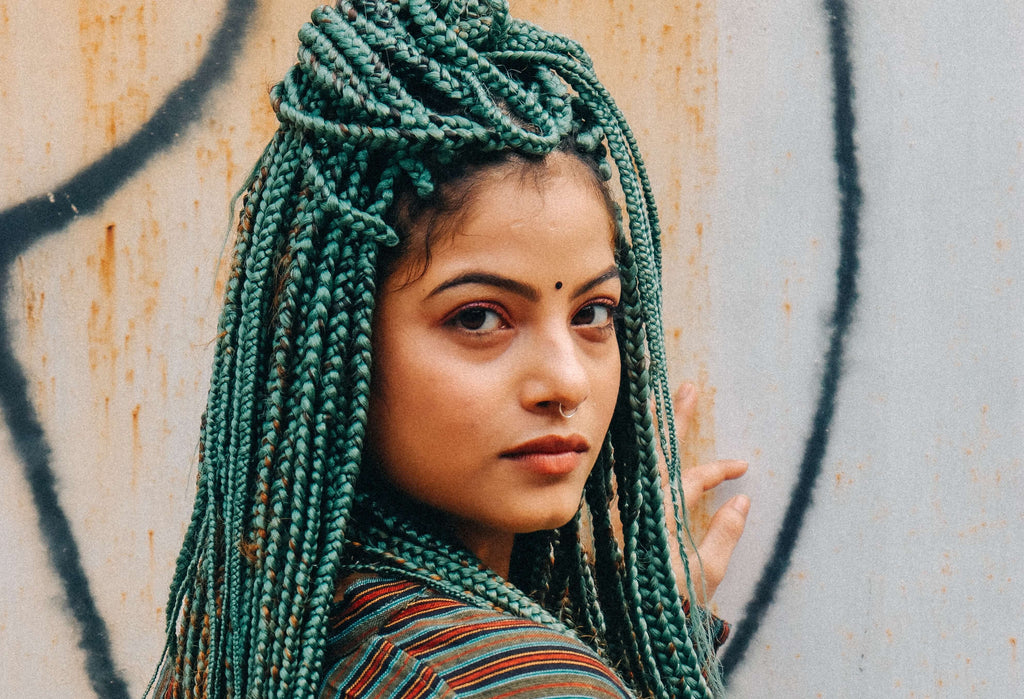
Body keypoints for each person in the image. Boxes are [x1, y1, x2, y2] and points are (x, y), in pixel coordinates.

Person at [149, 1, 749, 697]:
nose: (565, 381)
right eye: (477, 318)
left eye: (592, 312)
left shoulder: (266, 635)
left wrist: (623, 630)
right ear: (344, 349)